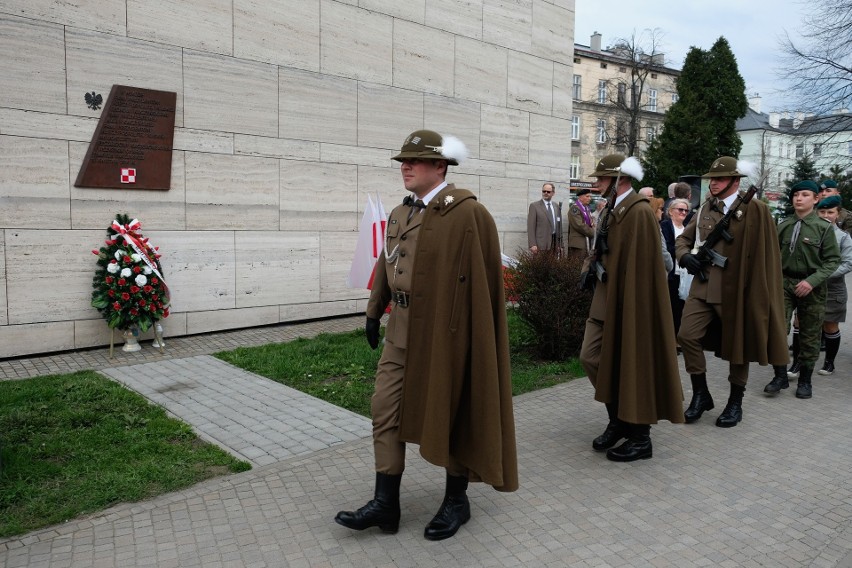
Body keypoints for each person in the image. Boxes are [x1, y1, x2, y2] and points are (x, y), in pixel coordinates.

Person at [334, 130, 518, 540]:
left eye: (414, 161)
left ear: (440, 166)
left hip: (444, 335)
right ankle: (386, 504)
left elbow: (481, 286)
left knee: (448, 410)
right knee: (384, 409)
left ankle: (456, 500)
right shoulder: (401, 214)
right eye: (403, 160)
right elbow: (388, 262)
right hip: (401, 330)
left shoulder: (468, 213)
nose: (405, 166)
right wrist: (372, 311)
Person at [579, 154, 683, 463]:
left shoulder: (638, 212)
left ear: (619, 180)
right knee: (591, 356)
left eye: (601, 177)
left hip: (629, 304)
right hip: (606, 299)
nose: (595, 182)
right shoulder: (612, 208)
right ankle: (619, 418)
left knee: (631, 364)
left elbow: (645, 266)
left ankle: (640, 437)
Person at [676, 157, 788, 427]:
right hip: (703, 286)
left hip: (737, 290)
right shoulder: (705, 209)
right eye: (712, 179)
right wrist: (684, 256)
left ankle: (735, 402)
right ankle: (701, 394)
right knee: (686, 335)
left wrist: (757, 291)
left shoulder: (755, 210)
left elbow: (765, 254)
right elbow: (683, 239)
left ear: (736, 182)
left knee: (739, 345)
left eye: (720, 178)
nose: (713, 183)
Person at [764, 180, 840, 398]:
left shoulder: (824, 228)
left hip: (812, 286)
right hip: (784, 283)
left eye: (805, 194)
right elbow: (773, 256)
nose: (798, 198)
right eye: (796, 194)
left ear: (816, 199)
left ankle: (805, 381)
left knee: (810, 334)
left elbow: (832, 260)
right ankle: (780, 376)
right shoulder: (784, 225)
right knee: (776, 329)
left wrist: (811, 281)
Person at [814, 195, 852, 375]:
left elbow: (848, 263)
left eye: (830, 212)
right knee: (802, 323)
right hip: (808, 287)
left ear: (838, 215)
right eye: (822, 212)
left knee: (830, 326)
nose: (826, 215)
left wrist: (821, 276)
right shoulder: (809, 233)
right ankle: (799, 362)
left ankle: (829, 362)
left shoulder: (843, 237)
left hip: (832, 288)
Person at [660, 198, 691, 335]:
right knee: (671, 306)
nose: (683, 212)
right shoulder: (665, 226)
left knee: (683, 306)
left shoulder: (689, 228)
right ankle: (670, 337)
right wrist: (682, 251)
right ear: (671, 211)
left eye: (686, 210)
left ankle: (680, 337)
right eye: (680, 209)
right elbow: (665, 248)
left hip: (686, 274)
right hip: (671, 272)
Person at [527, 182, 563, 252]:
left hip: (554, 245)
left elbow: (559, 227)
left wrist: (561, 245)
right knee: (541, 263)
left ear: (553, 193)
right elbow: (531, 227)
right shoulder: (534, 206)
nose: (546, 193)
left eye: (548, 192)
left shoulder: (556, 206)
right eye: (544, 191)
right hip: (540, 245)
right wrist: (532, 244)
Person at [565, 188, 595, 256]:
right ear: (580, 197)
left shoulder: (586, 208)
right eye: (587, 196)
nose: (589, 198)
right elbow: (579, 225)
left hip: (586, 242)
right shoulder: (574, 208)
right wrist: (593, 232)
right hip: (578, 244)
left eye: (590, 196)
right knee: (578, 265)